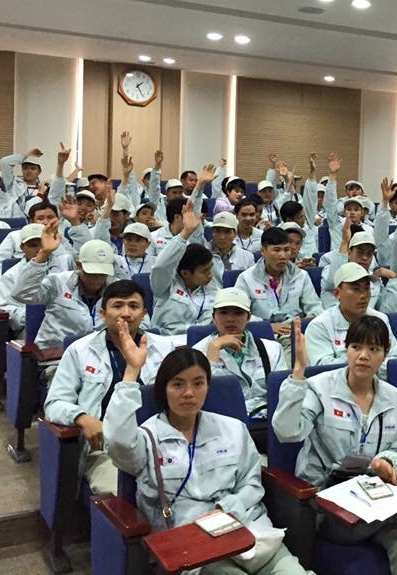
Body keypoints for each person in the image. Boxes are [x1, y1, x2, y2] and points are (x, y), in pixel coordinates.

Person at [104, 343, 310, 575]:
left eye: (198, 383)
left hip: (250, 535)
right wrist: (132, 372)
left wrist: (226, 509)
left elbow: (251, 484)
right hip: (195, 548)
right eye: (178, 384)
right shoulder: (147, 437)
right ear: (164, 389)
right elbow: (117, 442)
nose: (189, 393)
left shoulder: (233, 430)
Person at [273, 317, 397, 575]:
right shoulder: (319, 388)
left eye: (373, 349)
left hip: (375, 498)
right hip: (331, 507)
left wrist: (386, 463)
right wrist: (299, 370)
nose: (363, 356)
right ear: (346, 349)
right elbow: (287, 433)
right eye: (356, 347)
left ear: (384, 355)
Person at [43, 280, 175, 494]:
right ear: (103, 314)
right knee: (125, 494)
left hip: (159, 442)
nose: (126, 313)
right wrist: (82, 417)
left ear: (144, 314)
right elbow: (54, 403)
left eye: (134, 306)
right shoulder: (80, 350)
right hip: (106, 449)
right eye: (117, 306)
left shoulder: (164, 348)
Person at [14, 224, 121, 349]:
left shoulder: (117, 289)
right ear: (78, 265)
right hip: (55, 355)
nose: (97, 278)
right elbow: (22, 294)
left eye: (102, 273)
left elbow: (141, 322)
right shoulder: (57, 282)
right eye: (91, 272)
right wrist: (43, 254)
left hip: (99, 356)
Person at [193, 288, 286, 421]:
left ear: (248, 317)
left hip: (267, 421)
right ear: (214, 317)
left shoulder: (272, 349)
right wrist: (214, 350)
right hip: (222, 422)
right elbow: (208, 399)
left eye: (238, 313)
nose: (230, 319)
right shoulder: (197, 353)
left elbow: (281, 393)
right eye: (223, 313)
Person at [304, 262, 397, 376]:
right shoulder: (319, 326)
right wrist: (372, 362)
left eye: (367, 288)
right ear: (337, 293)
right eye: (356, 289)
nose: (364, 295)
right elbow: (324, 370)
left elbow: (394, 362)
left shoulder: (380, 319)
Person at [235, 227, 323, 335]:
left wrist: (304, 322)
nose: (283, 256)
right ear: (263, 251)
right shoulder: (246, 278)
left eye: (286, 250)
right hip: (264, 335)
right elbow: (239, 313)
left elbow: (315, 307)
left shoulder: (301, 276)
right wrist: (266, 327)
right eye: (276, 250)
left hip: (295, 332)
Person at [150, 201, 217, 335]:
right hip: (169, 343)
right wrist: (185, 233)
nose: (210, 275)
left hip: (202, 343)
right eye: (205, 271)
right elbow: (161, 266)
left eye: (210, 269)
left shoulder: (212, 288)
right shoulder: (164, 286)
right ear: (185, 273)